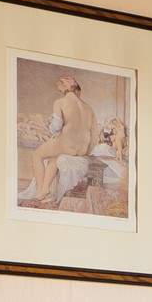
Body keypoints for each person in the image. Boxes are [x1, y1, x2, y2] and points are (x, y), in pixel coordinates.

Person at [24, 73, 98, 205]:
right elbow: (94, 135)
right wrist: (87, 151)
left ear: (64, 89)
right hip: (82, 148)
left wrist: (50, 126)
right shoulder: (89, 108)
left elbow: (56, 127)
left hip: (66, 144)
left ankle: (41, 190)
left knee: (37, 155)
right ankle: (45, 189)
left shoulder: (60, 102)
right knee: (54, 159)